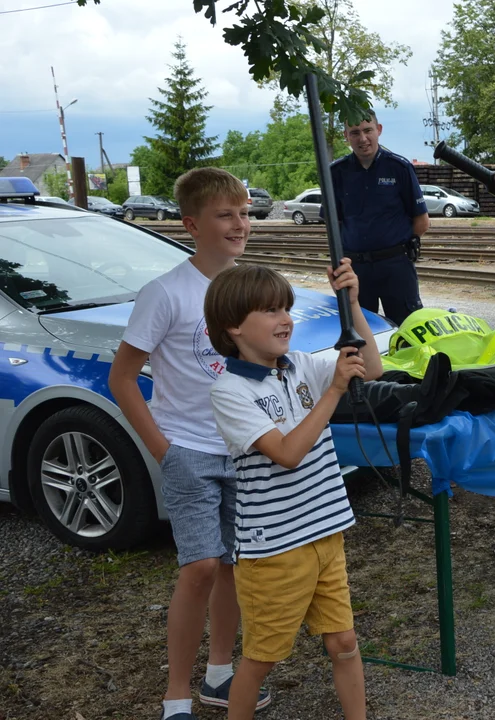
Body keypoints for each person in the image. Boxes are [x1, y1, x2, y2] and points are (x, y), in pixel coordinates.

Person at [108, 168, 271, 720]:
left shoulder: (246, 287)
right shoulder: (165, 292)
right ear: (191, 224)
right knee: (200, 565)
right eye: (226, 215)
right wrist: (163, 449)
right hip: (190, 452)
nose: (240, 224)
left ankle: (220, 675)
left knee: (234, 565)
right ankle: (176, 693)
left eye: (244, 213)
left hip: (242, 449)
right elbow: (123, 377)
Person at [205, 261, 383, 720]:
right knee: (262, 659)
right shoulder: (229, 392)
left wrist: (355, 305)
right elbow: (286, 453)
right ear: (233, 327)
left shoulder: (303, 366)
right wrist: (333, 392)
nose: (284, 318)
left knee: (344, 642)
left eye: (286, 307)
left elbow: (374, 366)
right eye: (269, 310)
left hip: (326, 533)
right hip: (274, 551)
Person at [329, 111, 430, 325]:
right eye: (355, 132)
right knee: (360, 332)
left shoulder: (399, 168)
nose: (363, 138)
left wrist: (398, 247)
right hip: (355, 268)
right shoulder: (336, 173)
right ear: (346, 135)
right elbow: (333, 224)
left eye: (368, 130)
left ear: (379, 130)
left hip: (396, 266)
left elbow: (422, 221)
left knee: (408, 328)